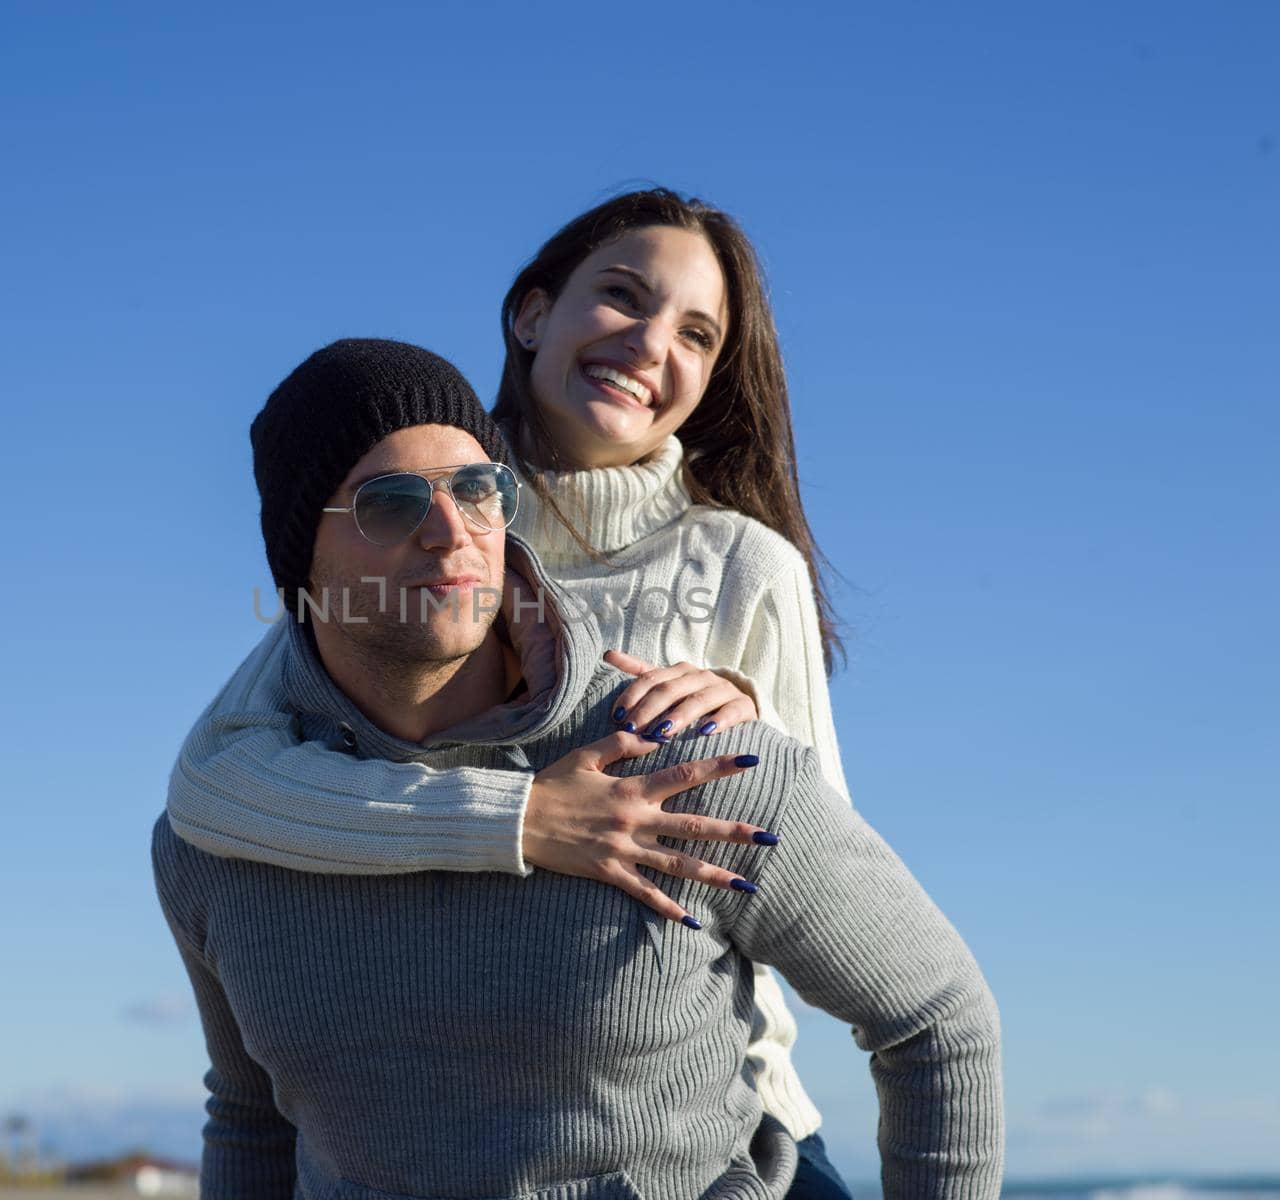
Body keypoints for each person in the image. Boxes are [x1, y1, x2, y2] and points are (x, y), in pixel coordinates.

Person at [151, 338, 1003, 1199]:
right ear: (304, 557)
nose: (453, 533)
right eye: (393, 502)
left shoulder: (688, 764)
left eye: (480, 490)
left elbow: (936, 1020)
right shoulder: (222, 835)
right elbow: (253, 1117)